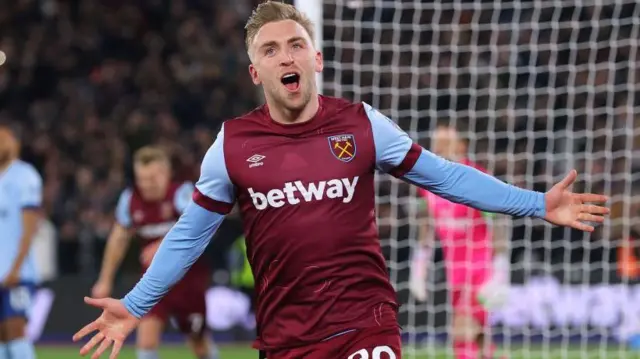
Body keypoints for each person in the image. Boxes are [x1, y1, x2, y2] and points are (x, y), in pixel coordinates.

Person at [72, 2, 610, 359]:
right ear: (256, 72)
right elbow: (190, 235)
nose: (287, 55)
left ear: (316, 58)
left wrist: (537, 203)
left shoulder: (362, 124)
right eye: (270, 49)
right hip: (285, 337)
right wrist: (137, 303)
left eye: (295, 45)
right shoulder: (231, 145)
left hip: (365, 323)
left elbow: (443, 177)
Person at [91, 146, 219, 359]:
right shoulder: (130, 200)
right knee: (146, 340)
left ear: (166, 173)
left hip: (189, 282)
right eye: (141, 178)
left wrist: (162, 244)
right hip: (153, 282)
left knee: (198, 343)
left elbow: (203, 226)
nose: (146, 184)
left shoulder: (183, 194)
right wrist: (105, 279)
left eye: (152, 178)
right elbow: (118, 239)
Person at [410, 122, 511, 359]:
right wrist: (419, 267)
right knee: (477, 335)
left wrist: (501, 269)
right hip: (454, 268)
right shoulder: (428, 184)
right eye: (437, 143)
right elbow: (427, 226)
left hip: (479, 268)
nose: (440, 147)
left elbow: (498, 222)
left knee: (461, 331)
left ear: (461, 145)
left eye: (446, 142)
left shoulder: (478, 178)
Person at [0, 125, 42, 359]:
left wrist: (16, 268)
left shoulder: (25, 175)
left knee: (15, 330)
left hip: (18, 274)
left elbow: (30, 228)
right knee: (2, 335)